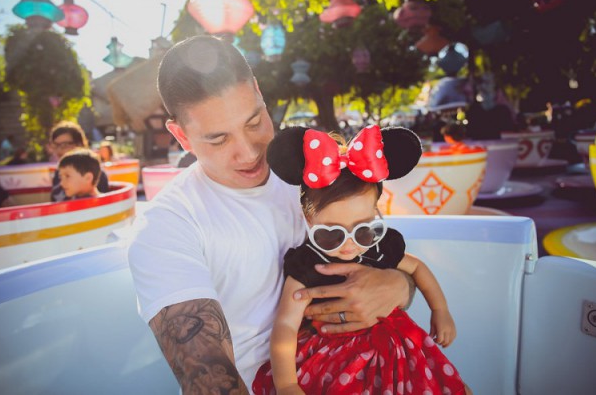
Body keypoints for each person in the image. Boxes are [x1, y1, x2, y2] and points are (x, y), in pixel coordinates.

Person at [127, 35, 415, 393]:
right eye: (218, 139)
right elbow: (208, 381)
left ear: (259, 93)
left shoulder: (314, 175)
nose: (249, 153)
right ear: (181, 136)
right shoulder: (166, 226)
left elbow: (381, 255)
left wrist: (398, 286)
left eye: (254, 122)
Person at [252, 126, 469, 395]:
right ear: (308, 219)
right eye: (331, 234)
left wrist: (440, 310)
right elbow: (286, 325)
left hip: (399, 354)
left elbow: (417, 267)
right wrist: (286, 383)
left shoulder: (380, 247)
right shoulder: (308, 264)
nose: (349, 244)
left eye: (364, 229)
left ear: (376, 212)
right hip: (336, 361)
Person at [49, 121, 109, 202]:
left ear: (79, 144)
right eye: (56, 145)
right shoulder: (58, 173)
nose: (59, 150)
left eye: (65, 145)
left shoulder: (95, 173)